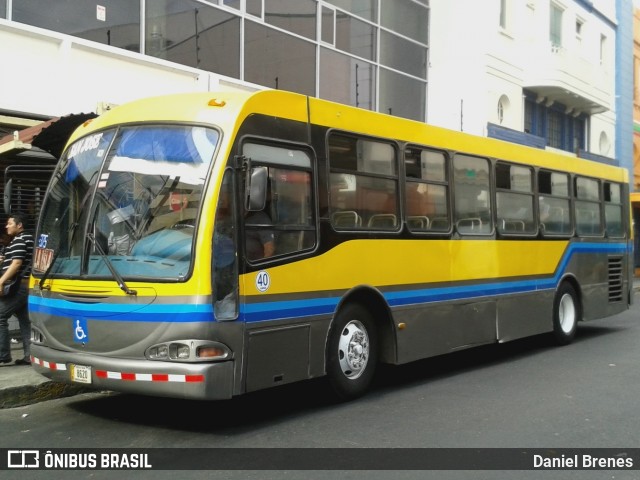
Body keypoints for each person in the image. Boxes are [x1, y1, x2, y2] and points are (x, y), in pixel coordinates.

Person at [0, 213, 34, 366]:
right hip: (26, 286)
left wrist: (1, 281)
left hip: (19, 287)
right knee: (25, 321)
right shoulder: (27, 239)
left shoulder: (20, 239)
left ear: (19, 225)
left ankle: (3, 355)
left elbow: (16, 264)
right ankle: (29, 356)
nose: (7, 226)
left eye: (9, 223)